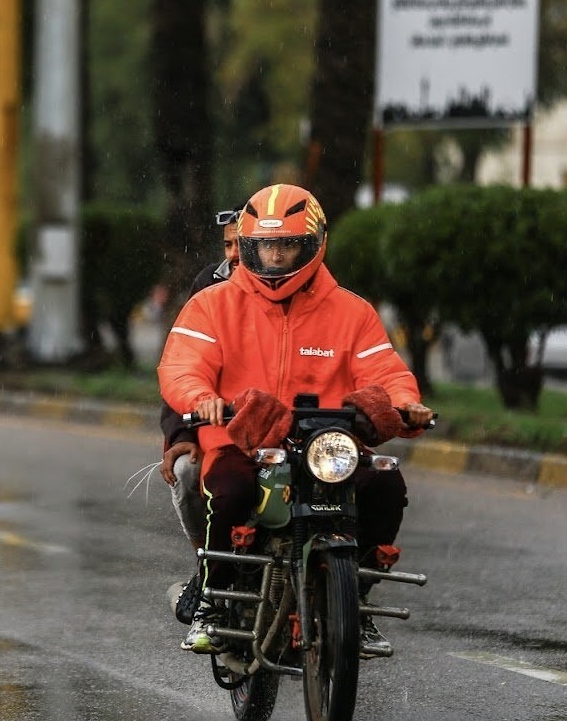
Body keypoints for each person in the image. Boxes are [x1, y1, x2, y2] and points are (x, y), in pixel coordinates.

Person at [157, 183, 434, 656]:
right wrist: (201, 398)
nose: (275, 256)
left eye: (286, 244)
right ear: (248, 246)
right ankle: (212, 598)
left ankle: (356, 601)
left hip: (329, 446)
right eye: (266, 244)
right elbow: (182, 366)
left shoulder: (352, 311)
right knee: (230, 492)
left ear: (312, 245)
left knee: (385, 488)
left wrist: (404, 403)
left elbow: (385, 370)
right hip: (241, 442)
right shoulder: (211, 304)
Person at [159, 208, 242, 552]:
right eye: (228, 245)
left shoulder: (321, 295)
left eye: (244, 244)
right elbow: (183, 365)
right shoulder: (208, 287)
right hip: (219, 426)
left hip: (291, 433)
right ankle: (207, 564)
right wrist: (182, 432)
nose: (235, 255)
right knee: (189, 471)